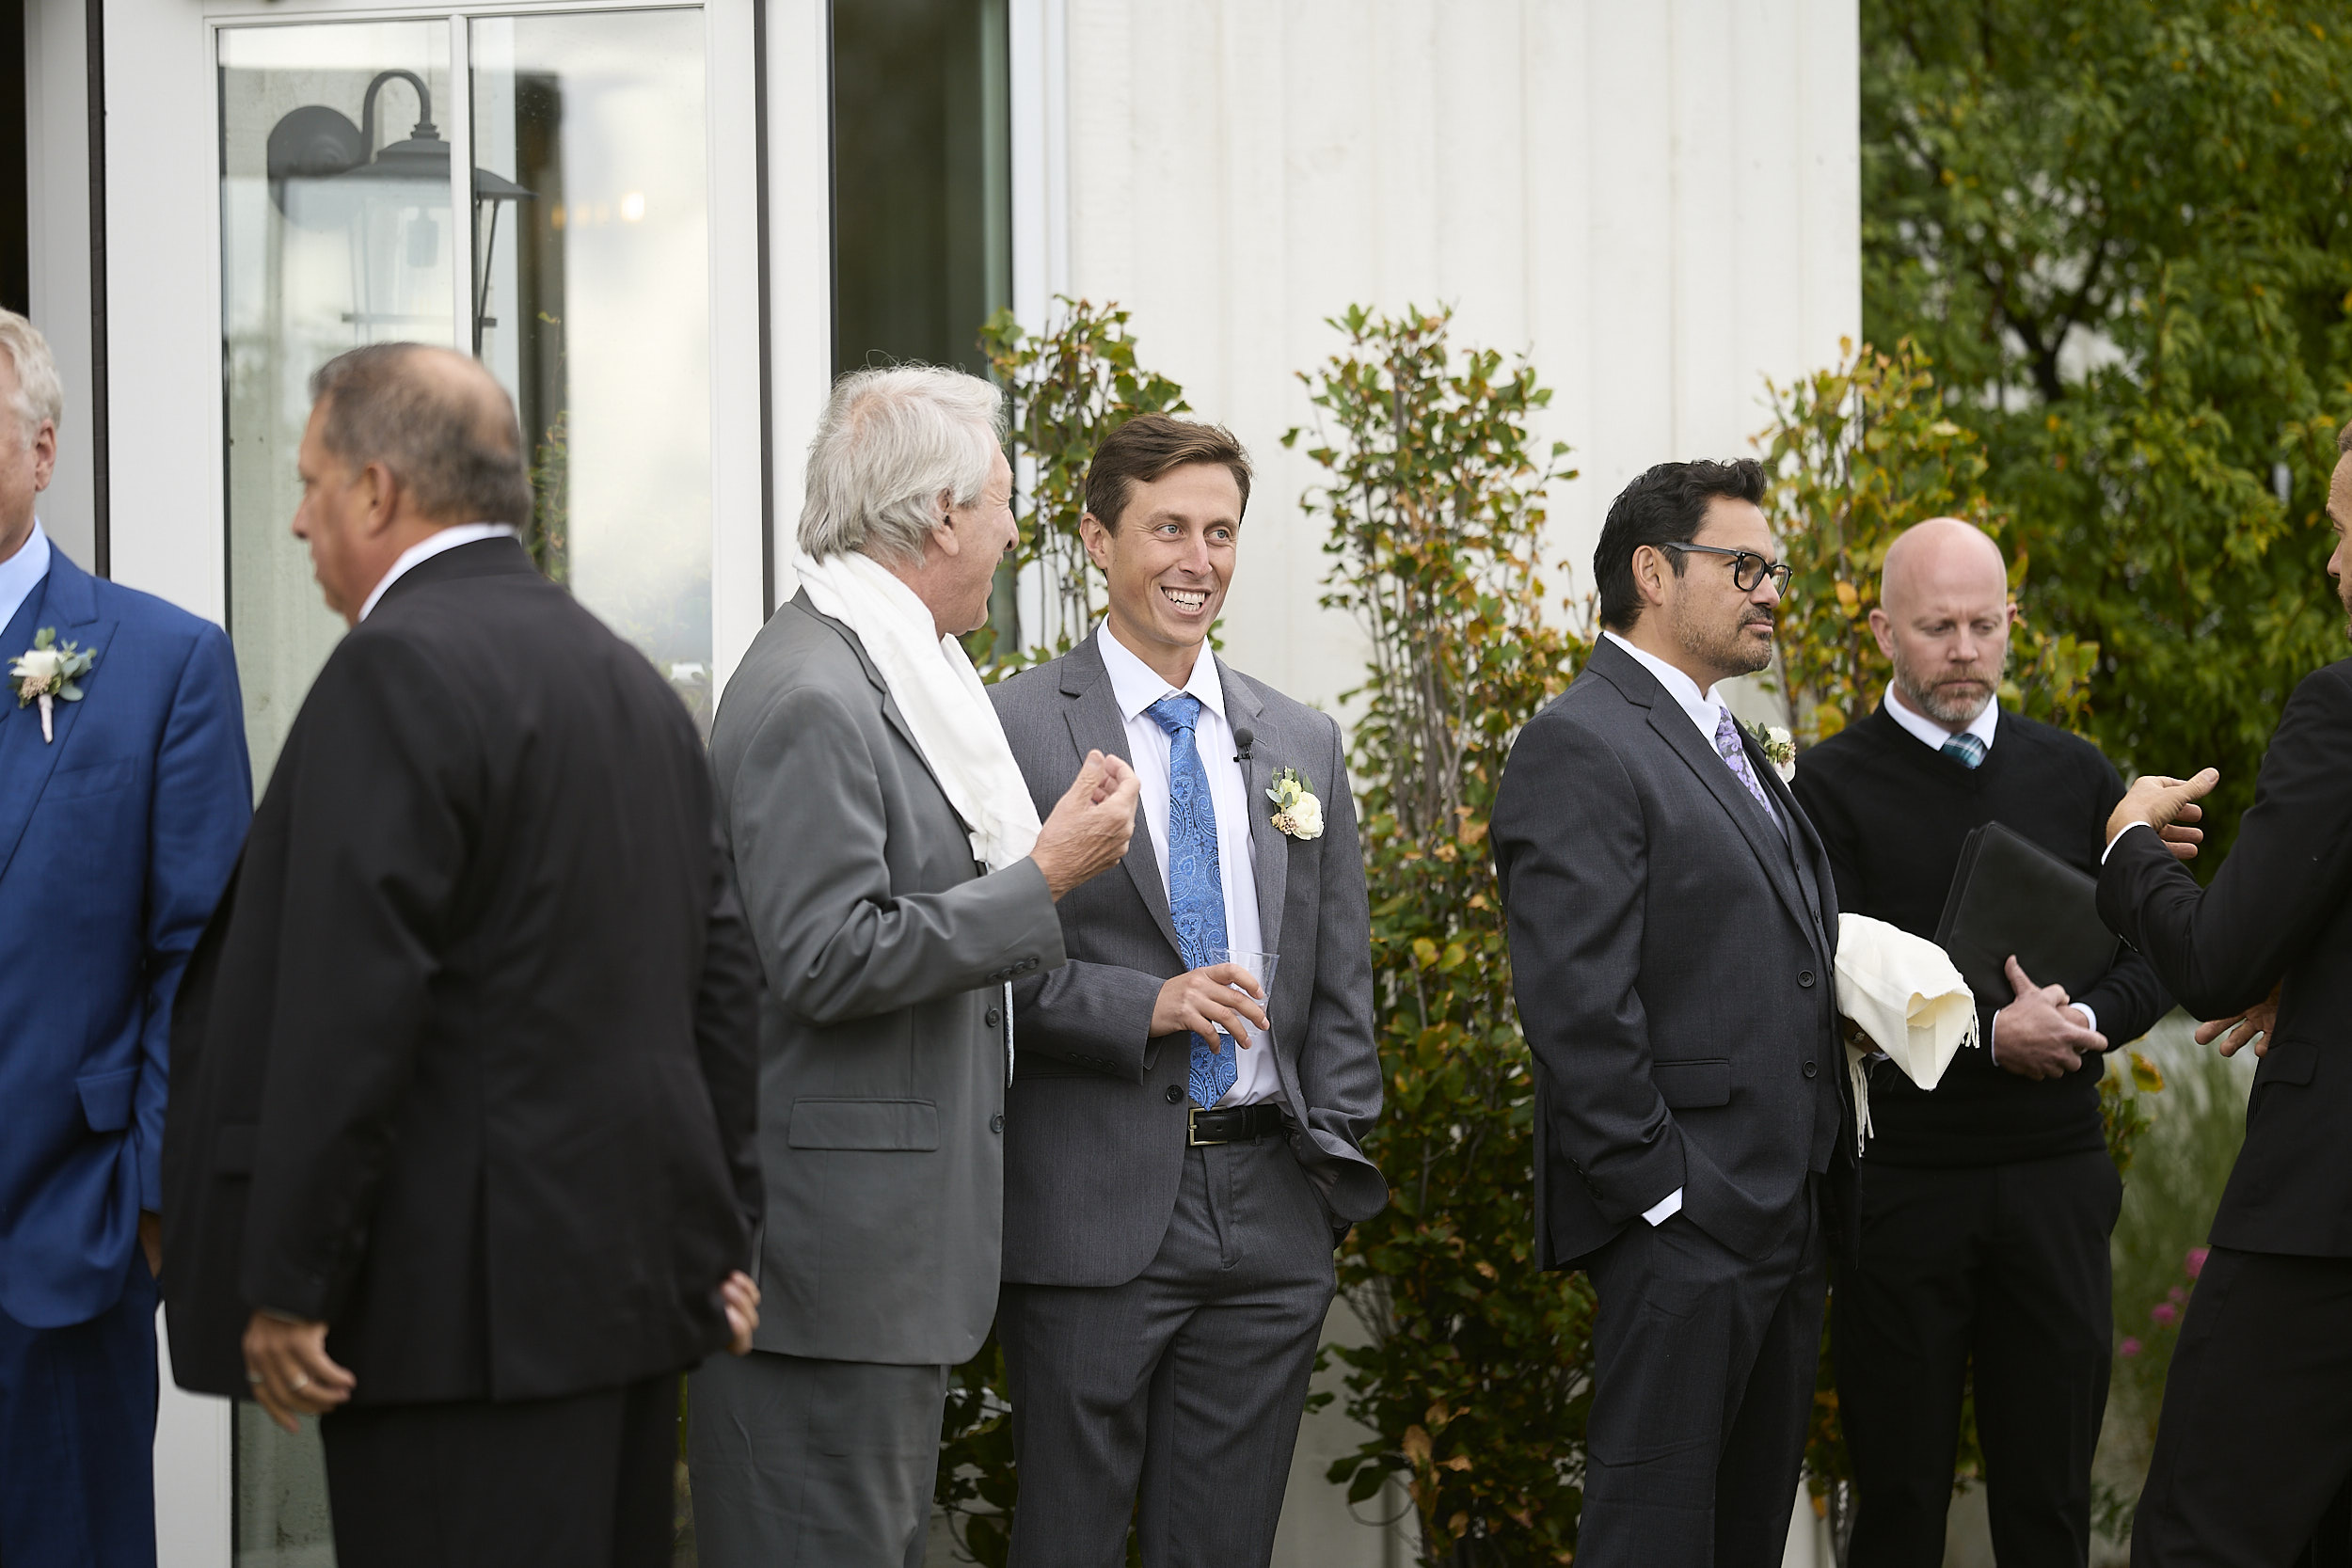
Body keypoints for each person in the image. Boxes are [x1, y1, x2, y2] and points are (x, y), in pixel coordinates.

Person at [161, 342, 764, 1568]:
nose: (298, 518)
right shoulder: (628, 680)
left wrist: (290, 1276)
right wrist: (724, 1234)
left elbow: (351, 1005)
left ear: (377, 489)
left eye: (311, 482)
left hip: (456, 1326)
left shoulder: (396, 668)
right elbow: (720, 979)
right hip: (627, 1301)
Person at [689, 365, 1140, 1568]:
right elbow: (825, 956)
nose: (1013, 530)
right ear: (941, 515)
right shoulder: (815, 693)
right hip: (826, 1280)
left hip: (873, 1273)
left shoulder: (894, 670)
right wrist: (1043, 875)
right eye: (1002, 500)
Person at [988, 414, 1385, 1568]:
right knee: (1065, 1540)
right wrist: (1141, 1005)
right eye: (1167, 528)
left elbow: (1341, 980)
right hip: (1091, 1205)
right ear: (1094, 539)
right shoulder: (1010, 727)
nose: (1197, 560)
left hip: (1272, 1211)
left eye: (1220, 532)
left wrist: (1328, 1158)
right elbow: (979, 966)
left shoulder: (1300, 738)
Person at [1788, 517, 2171, 1565]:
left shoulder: (2078, 776)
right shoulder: (1825, 790)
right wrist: (1989, 1035)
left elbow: (2151, 955)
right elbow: (1823, 982)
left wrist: (2080, 1022)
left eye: (1984, 625)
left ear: (2012, 622)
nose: (1964, 649)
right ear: (1882, 632)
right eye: (1936, 627)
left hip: (2054, 1183)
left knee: (2049, 1506)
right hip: (1903, 1192)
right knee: (1899, 1503)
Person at [1493, 457, 1847, 1568]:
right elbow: (1575, 1008)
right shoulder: (1582, 740)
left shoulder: (1722, 736)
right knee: (1650, 1540)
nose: (1769, 591)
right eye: (1743, 567)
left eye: (1774, 569)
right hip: (1686, 1228)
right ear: (1651, 572)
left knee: (1742, 1539)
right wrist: (1666, 1195)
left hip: (1781, 1223)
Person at [0, 311, 250, 1566]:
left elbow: (201, 960)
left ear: (41, 450)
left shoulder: (163, 662)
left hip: (60, 1250)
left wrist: (151, 1205)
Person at [2093, 420, 2352, 1568]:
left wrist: (2128, 845)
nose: (2333, 565)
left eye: (2343, 532)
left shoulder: (2340, 705)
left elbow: (2217, 963)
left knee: (2202, 1537)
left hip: (2322, 1225)